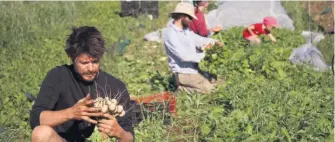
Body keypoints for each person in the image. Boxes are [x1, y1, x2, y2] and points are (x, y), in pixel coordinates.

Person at [29, 26, 134, 142]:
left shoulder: (116, 86)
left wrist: (120, 133)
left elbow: (130, 137)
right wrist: (71, 113)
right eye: (84, 63)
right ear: (71, 57)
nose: (90, 68)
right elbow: (36, 119)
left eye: (95, 62)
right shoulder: (58, 76)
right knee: (41, 133)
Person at [163, 2, 224, 94]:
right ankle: (182, 89)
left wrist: (214, 42)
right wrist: (206, 55)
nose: (191, 20)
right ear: (182, 16)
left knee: (220, 83)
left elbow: (198, 39)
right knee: (211, 91)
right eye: (190, 18)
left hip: (195, 70)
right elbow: (184, 56)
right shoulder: (170, 34)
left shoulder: (185, 30)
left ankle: (190, 85)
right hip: (184, 73)